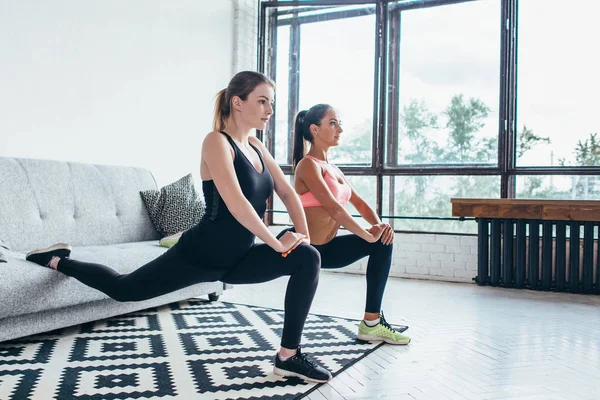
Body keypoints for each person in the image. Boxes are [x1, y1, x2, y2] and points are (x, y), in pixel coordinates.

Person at [25, 72, 331, 383]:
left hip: (238, 258)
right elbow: (237, 204)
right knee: (124, 289)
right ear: (238, 103)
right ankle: (57, 259)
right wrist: (278, 243)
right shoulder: (216, 142)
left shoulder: (255, 145)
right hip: (199, 255)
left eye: (272, 103)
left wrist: (302, 238)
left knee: (308, 258)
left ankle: (288, 356)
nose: (270, 109)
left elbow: (288, 192)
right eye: (262, 101)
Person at [290, 103, 411, 345]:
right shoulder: (307, 165)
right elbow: (334, 208)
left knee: (382, 244)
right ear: (314, 129)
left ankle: (371, 323)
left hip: (329, 248)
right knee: (375, 242)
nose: (339, 129)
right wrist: (367, 235)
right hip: (308, 250)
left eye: (339, 123)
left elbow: (359, 203)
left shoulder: (334, 169)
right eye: (332, 123)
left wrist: (380, 227)